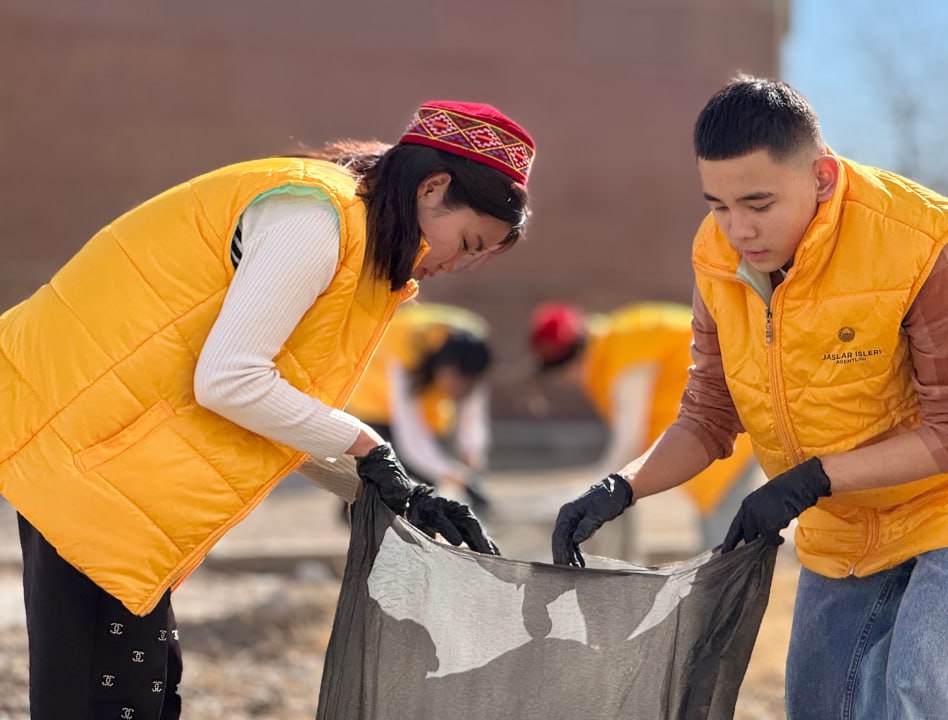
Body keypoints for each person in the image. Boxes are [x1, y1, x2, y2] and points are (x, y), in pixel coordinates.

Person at [0, 99, 535, 719]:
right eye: (466, 242)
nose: (457, 265)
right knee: (111, 698)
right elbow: (230, 381)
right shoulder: (317, 218)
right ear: (433, 187)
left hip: (104, 466)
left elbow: (265, 407)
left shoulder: (351, 239)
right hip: (89, 463)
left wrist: (391, 487)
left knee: (142, 689)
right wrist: (368, 447)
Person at [550, 76, 948, 719]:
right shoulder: (716, 256)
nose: (738, 229)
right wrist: (620, 488)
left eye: (758, 204)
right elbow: (708, 416)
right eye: (718, 205)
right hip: (843, 502)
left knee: (911, 691)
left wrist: (808, 480)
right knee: (816, 701)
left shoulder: (921, 242)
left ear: (821, 176)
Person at [527, 301, 760, 551]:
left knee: (725, 547)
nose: (566, 380)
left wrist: (596, 492)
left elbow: (630, 437)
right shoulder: (612, 350)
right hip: (713, 437)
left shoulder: (623, 348)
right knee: (718, 539)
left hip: (726, 434)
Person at [346, 303, 494, 513]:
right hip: (374, 400)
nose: (459, 390)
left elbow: (472, 416)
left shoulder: (471, 350)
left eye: (468, 383)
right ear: (442, 367)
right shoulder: (406, 350)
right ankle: (360, 506)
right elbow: (410, 436)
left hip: (421, 403)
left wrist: (473, 459)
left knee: (426, 476)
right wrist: (450, 473)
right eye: (456, 381)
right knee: (388, 464)